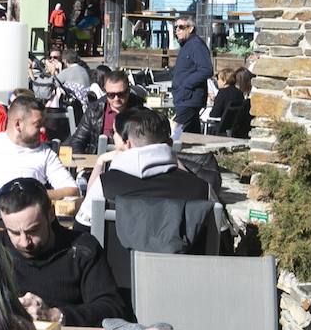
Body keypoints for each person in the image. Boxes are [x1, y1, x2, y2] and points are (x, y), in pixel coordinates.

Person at [0, 178, 132, 327]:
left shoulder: (82, 249)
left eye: (33, 231)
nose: (24, 242)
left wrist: (55, 315)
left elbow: (112, 308)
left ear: (51, 214)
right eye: (14, 233)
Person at [76, 107, 212, 227]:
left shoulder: (105, 185)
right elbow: (220, 241)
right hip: (181, 256)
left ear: (128, 144)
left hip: (115, 256)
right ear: (169, 143)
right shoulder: (202, 188)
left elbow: (82, 229)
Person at [0, 93, 78, 198]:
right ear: (18, 124)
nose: (43, 130)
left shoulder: (45, 153)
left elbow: (72, 190)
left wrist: (33, 197)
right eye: (38, 125)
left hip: (24, 216)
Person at [69, 68, 141, 154]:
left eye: (120, 94)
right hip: (99, 161)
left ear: (128, 91)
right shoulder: (94, 110)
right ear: (105, 92)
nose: (116, 99)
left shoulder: (140, 110)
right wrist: (81, 165)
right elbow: (77, 141)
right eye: (111, 95)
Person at [170, 14, 214, 134]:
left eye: (180, 27)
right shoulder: (187, 45)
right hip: (184, 98)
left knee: (175, 131)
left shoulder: (196, 45)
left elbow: (206, 69)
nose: (177, 30)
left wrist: (186, 84)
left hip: (189, 99)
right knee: (191, 134)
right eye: (175, 28)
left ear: (190, 28)